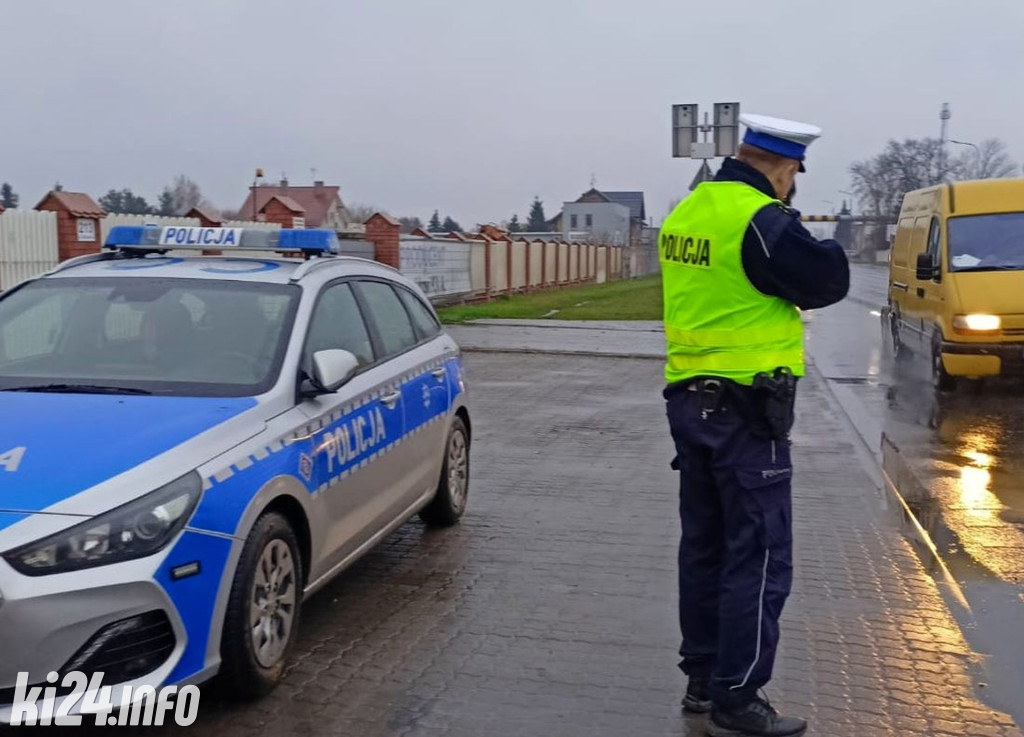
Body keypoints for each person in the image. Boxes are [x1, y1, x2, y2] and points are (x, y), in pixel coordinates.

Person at [661, 113, 849, 737]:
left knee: (704, 547)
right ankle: (738, 700)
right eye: (795, 175)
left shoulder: (688, 211)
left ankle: (702, 680)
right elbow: (827, 279)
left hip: (688, 403)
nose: (792, 185)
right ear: (785, 167)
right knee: (761, 556)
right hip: (746, 412)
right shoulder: (761, 220)